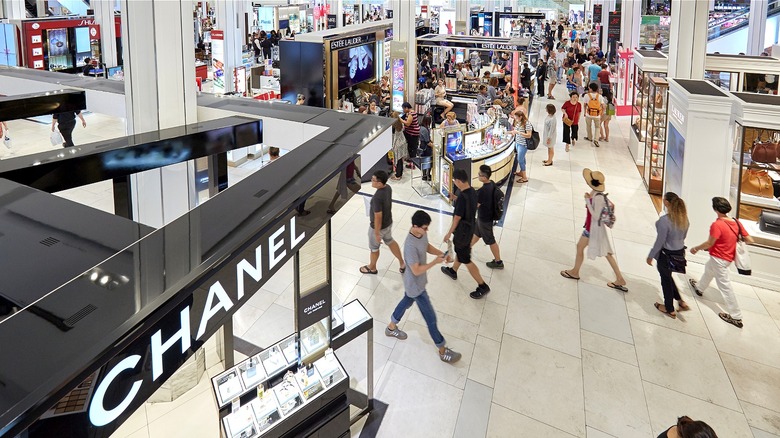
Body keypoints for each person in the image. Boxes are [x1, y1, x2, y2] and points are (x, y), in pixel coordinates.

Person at [385, 210, 461, 363]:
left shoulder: (421, 234)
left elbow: (426, 246)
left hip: (415, 284)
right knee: (431, 319)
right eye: (425, 228)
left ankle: (391, 327)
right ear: (415, 226)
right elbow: (415, 269)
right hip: (415, 286)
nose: (427, 231)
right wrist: (434, 262)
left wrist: (442, 254)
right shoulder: (409, 246)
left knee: (406, 301)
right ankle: (442, 350)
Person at [689, 197, 753, 328]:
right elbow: (749, 239)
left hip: (719, 258)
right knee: (708, 269)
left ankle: (736, 316)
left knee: (725, 286)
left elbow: (709, 242)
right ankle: (700, 288)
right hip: (727, 258)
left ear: (715, 209)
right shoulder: (736, 222)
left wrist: (696, 248)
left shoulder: (717, 225)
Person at [561, 169, 629, 292]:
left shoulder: (598, 198)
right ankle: (619, 278)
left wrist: (587, 201)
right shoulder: (596, 193)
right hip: (592, 228)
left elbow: (596, 216)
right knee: (606, 253)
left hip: (592, 229)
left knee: (581, 248)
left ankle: (575, 272)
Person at [441, 169, 491, 299]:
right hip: (470, 229)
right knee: (462, 253)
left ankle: (482, 286)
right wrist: (455, 198)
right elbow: (470, 204)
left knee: (467, 259)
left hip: (462, 233)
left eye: (454, 181)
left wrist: (448, 233)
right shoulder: (472, 191)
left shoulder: (463, 197)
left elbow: (456, 219)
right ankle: (453, 271)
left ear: (458, 181)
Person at [648, 192, 690, 318]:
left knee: (665, 279)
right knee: (668, 276)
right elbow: (684, 236)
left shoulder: (664, 221)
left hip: (666, 255)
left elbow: (660, 241)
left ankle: (669, 308)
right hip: (679, 253)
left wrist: (651, 255)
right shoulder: (684, 220)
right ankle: (680, 301)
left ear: (666, 203)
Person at [359, 170, 406, 275]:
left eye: (373, 180)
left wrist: (376, 233)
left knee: (374, 249)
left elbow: (378, 216)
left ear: (380, 183)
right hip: (388, 223)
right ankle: (402, 263)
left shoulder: (377, 198)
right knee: (390, 241)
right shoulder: (388, 188)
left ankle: (372, 267)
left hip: (378, 228)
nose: (371, 180)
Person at [472, 165, 504, 270]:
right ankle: (466, 248)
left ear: (484, 177)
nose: (478, 176)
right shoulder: (492, 184)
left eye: (479, 175)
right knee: (476, 233)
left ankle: (498, 261)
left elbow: (476, 205)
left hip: (485, 219)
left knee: (491, 240)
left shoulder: (482, 191)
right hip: (487, 216)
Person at [509, 111, 532, 184]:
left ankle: (524, 177)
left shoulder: (527, 124)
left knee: (520, 159)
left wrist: (518, 133)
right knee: (522, 158)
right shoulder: (519, 123)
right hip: (518, 143)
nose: (515, 119)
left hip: (523, 144)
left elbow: (529, 135)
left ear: (520, 117)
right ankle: (522, 172)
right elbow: (515, 131)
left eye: (516, 118)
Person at [582, 82, 604, 147]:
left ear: (591, 89)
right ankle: (596, 140)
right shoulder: (599, 96)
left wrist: (584, 112)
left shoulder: (587, 95)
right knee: (597, 127)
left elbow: (585, 105)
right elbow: (603, 106)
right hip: (597, 115)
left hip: (589, 114)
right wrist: (601, 114)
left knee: (588, 126)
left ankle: (589, 137)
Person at [419, 115, 433, 181]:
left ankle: (425, 175)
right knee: (428, 161)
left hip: (422, 146)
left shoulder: (422, 127)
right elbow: (427, 142)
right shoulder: (424, 129)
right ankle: (427, 175)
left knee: (424, 161)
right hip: (425, 148)